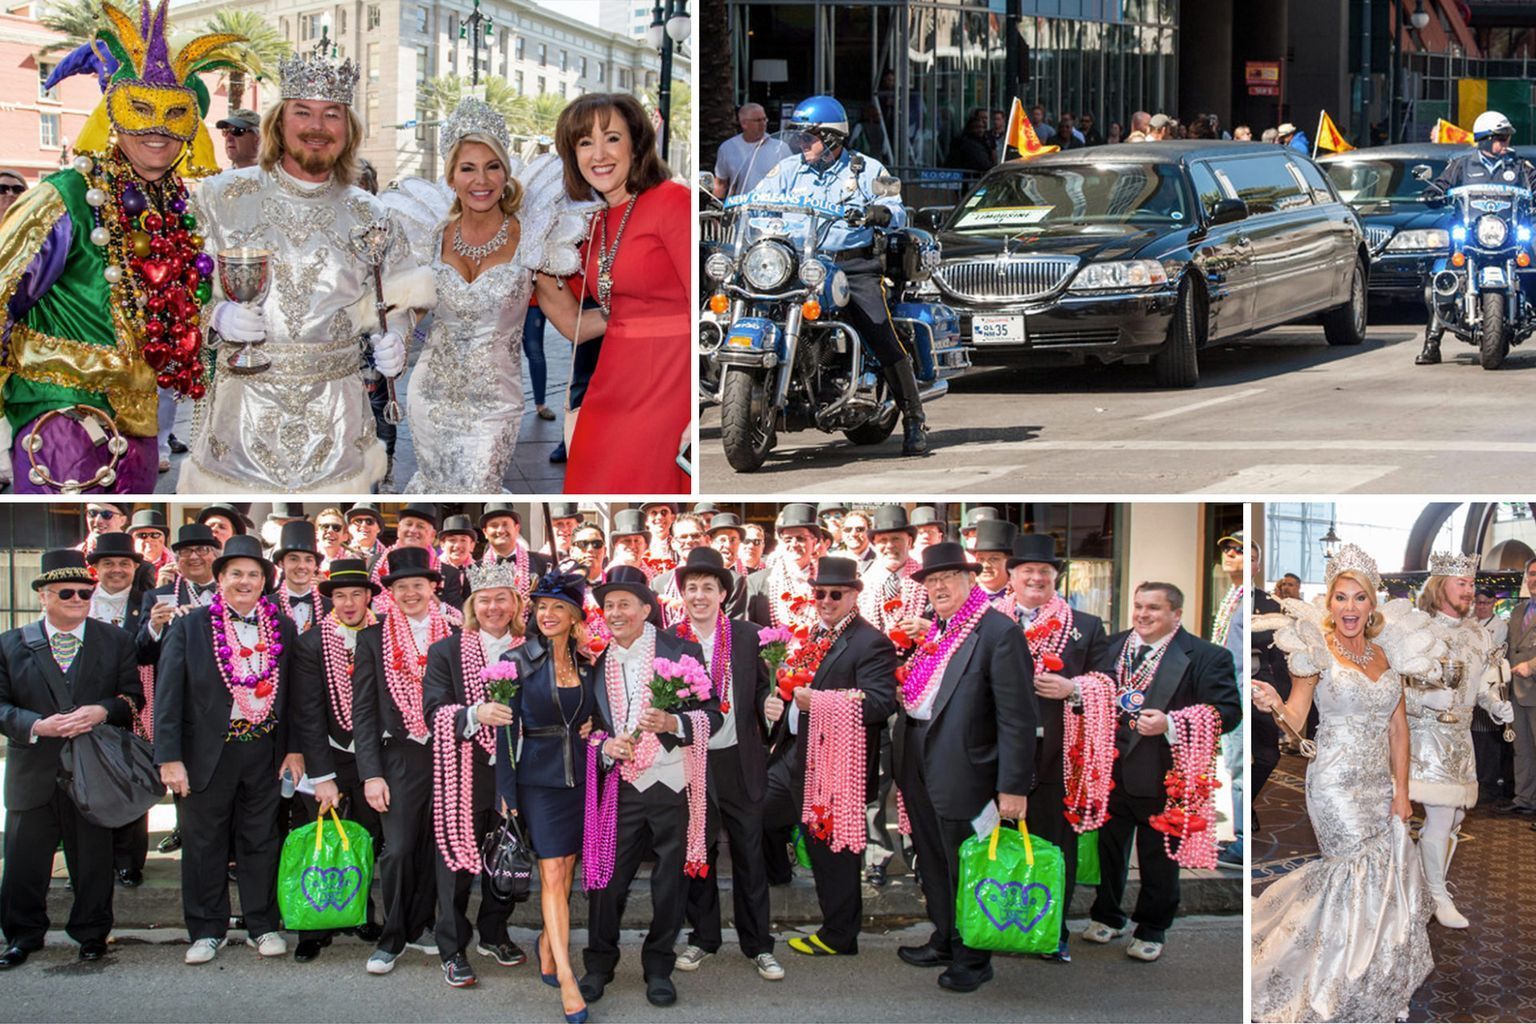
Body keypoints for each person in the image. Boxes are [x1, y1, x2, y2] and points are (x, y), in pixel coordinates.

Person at [0, 5, 232, 493]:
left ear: (193, 125)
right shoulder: (62, 199)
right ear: (112, 111)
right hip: (59, 412)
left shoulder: (175, 208)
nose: (157, 130)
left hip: (141, 419)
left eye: (176, 114)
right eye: (140, 109)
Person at [184, 43, 427, 492]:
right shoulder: (221, 198)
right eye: (302, 112)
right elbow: (181, 293)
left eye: (332, 114)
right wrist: (214, 316)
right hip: (242, 421)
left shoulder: (371, 213)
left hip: (337, 421)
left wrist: (396, 338)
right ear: (279, 121)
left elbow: (394, 297)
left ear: (348, 128)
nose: (317, 127)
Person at [1250, 545, 1434, 1022]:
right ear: (1328, 604)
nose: (1349, 607)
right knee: (1353, 874)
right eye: (1340, 598)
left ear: (1372, 606)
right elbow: (1296, 721)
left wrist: (1401, 790)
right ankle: (1337, 980)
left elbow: (1399, 728)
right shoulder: (1314, 651)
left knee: (1386, 873)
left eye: (1359, 598)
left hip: (1379, 784)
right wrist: (1273, 702)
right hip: (1333, 783)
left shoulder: (1385, 653)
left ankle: (1376, 973)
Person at [395, 98, 603, 492]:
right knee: (434, 486)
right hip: (429, 396)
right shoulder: (431, 237)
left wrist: (642, 311)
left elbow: (573, 325)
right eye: (468, 168)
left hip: (496, 404)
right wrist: (388, 336)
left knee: (478, 486)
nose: (482, 180)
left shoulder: (532, 238)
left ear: (506, 173)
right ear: (451, 177)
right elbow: (410, 315)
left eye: (493, 167)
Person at [154, 535, 307, 965]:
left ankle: (262, 925)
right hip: (207, 753)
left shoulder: (283, 626)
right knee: (204, 843)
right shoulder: (188, 626)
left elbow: (295, 695)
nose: (245, 581)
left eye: (254, 574)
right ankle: (206, 930)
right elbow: (167, 697)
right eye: (236, 573)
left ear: (264, 581)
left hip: (264, 750)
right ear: (219, 579)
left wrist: (294, 749)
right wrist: (169, 758)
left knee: (261, 839)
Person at [894, 542, 1036, 992]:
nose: (938, 586)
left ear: (970, 580)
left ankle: (973, 960)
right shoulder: (940, 630)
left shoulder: (998, 632)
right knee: (933, 860)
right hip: (919, 759)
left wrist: (1013, 787)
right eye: (931, 580)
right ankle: (946, 936)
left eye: (948, 578)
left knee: (970, 867)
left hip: (967, 771)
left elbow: (1017, 717)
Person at [754, 96, 929, 456]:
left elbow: (896, 210)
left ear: (833, 138)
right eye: (799, 138)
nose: (802, 145)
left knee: (879, 329)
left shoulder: (866, 170)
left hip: (852, 265)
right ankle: (760, 414)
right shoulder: (788, 170)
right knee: (760, 311)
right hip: (797, 265)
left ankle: (913, 417)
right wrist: (747, 210)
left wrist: (879, 213)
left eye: (809, 138)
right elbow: (757, 202)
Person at [579, 566, 714, 1009]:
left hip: (671, 781)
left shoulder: (682, 650)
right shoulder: (596, 661)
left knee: (669, 883)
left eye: (624, 604)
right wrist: (603, 746)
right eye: (608, 606)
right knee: (605, 880)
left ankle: (659, 966)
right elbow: (592, 727)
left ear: (645, 608)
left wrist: (674, 721)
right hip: (620, 786)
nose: (615, 613)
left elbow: (714, 716)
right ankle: (599, 964)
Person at [1083, 581, 1240, 962]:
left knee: (1158, 857)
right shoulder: (1113, 645)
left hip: (1162, 776)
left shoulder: (1206, 655)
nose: (1142, 614)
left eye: (1153, 608)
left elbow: (1229, 713)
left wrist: (1171, 723)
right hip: (1109, 771)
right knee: (1108, 852)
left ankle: (1152, 927)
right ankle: (1107, 915)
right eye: (1138, 606)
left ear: (1176, 614)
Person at [0, 549, 140, 969]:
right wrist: (35, 724)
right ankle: (23, 936)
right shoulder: (10, 644)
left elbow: (133, 699)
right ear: (43, 595)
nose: (79, 599)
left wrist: (102, 710)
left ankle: (92, 935)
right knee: (24, 861)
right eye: (67, 593)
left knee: (94, 861)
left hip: (91, 771)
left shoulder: (114, 641)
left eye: (85, 592)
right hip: (34, 769)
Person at [761, 557, 900, 958]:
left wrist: (817, 702)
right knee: (758, 813)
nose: (825, 600)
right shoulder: (809, 637)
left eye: (835, 593)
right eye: (819, 592)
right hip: (793, 754)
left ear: (854, 595)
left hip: (836, 765)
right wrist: (777, 707)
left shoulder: (870, 641)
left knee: (833, 851)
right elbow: (792, 692)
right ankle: (780, 872)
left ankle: (840, 935)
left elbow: (879, 703)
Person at [556, 94, 690, 494]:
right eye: (584, 142)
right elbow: (574, 325)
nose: (598, 154)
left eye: (611, 138)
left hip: (671, 379)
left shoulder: (671, 201)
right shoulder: (595, 221)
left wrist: (693, 411)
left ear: (636, 143)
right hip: (611, 380)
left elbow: (702, 306)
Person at [669, 549, 782, 983]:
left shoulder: (749, 636)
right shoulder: (669, 640)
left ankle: (759, 945)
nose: (699, 596)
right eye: (692, 588)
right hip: (691, 761)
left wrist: (769, 705)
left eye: (708, 588)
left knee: (749, 854)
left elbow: (758, 691)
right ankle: (704, 937)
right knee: (699, 852)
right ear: (682, 594)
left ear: (723, 593)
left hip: (739, 758)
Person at [494, 570, 598, 1021]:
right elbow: (502, 733)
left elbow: (604, 712)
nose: (548, 615)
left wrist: (600, 729)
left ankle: (545, 942)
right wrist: (505, 791)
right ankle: (568, 979)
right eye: (541, 607)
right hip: (537, 779)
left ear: (574, 616)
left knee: (567, 868)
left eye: (558, 607)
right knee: (553, 871)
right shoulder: (515, 662)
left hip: (582, 779)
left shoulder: (589, 662)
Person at [422, 561, 529, 987]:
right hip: (464, 771)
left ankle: (494, 932)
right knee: (455, 864)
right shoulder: (446, 651)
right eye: (484, 599)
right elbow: (433, 710)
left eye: (502, 597)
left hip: (519, 772)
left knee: (506, 856)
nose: (493, 607)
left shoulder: (533, 648)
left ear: (515, 603)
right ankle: (451, 947)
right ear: (471, 604)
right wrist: (473, 713)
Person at [351, 546, 457, 974]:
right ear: (390, 592)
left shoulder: (453, 633)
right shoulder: (372, 637)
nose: (410, 592)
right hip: (399, 756)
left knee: (438, 846)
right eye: (401, 586)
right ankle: (392, 937)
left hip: (447, 752)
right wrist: (371, 774)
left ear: (433, 587)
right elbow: (363, 711)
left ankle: (423, 924)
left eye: (418, 584)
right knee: (397, 849)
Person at [1008, 532, 1107, 961]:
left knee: (1054, 845)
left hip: (1056, 758)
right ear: (1011, 576)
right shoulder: (988, 622)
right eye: (1027, 570)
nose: (1035, 578)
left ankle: (1053, 932)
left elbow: (1108, 684)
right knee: (999, 841)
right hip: (996, 754)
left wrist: (1073, 687)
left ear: (1056, 578)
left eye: (1044, 572)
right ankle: (1004, 925)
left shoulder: (1085, 627)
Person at [1406, 552, 1513, 928]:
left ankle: (1424, 890)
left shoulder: (1477, 634)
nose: (1469, 591)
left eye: (1471, 584)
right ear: (1440, 586)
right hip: (1426, 734)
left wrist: (1495, 704)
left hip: (1461, 737)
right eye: (1462, 584)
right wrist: (1424, 701)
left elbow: (1482, 684)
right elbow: (1397, 688)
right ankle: (1436, 896)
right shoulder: (1418, 630)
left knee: (1453, 819)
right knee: (1440, 816)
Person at [288, 558, 384, 962]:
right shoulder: (311, 642)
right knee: (321, 839)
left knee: (367, 839)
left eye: (356, 594)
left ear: (367, 597)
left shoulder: (383, 636)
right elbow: (307, 712)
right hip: (327, 753)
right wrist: (322, 775)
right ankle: (315, 927)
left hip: (372, 757)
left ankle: (359, 911)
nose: (348, 603)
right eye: (340, 595)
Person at [1418, 110, 1536, 364]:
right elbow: (1441, 184)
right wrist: (1433, 193)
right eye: (1501, 138)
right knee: (1445, 278)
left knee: (1532, 270)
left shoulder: (1519, 166)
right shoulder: (1462, 164)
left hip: (1510, 238)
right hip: (1471, 238)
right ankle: (1431, 343)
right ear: (1484, 139)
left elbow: (1534, 185)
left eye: (1506, 138)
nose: (1506, 143)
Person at [1213, 532, 1246, 869]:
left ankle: (1242, 844)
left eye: (1239, 550)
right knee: (1233, 765)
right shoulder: (1232, 596)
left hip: (1239, 692)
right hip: (1227, 690)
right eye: (1227, 549)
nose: (1231, 554)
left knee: (1238, 768)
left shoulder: (1246, 599)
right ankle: (1239, 837)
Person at [1504, 558, 1536, 815]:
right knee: (1521, 750)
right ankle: (1524, 799)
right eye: (1532, 574)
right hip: (1516, 693)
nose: (1534, 579)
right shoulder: (1518, 611)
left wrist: (1531, 666)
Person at [713, 102, 793, 199]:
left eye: (764, 119)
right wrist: (715, 207)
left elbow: (792, 180)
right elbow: (721, 183)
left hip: (772, 208)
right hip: (740, 209)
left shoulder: (781, 147)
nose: (763, 123)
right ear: (744, 123)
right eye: (758, 120)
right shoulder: (727, 148)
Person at [479, 502, 552, 597]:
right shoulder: (475, 570)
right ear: (485, 532)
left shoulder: (543, 563)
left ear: (517, 528)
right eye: (494, 525)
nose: (500, 530)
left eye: (505, 524)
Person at [272, 521, 328, 633]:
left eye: (308, 560)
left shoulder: (330, 607)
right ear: (281, 563)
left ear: (316, 566)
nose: (302, 566)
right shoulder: (266, 606)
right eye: (294, 559)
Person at [347, 503, 388, 571]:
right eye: (358, 521)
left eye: (369, 521)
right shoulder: (341, 555)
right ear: (349, 528)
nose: (364, 525)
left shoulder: (388, 558)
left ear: (378, 528)